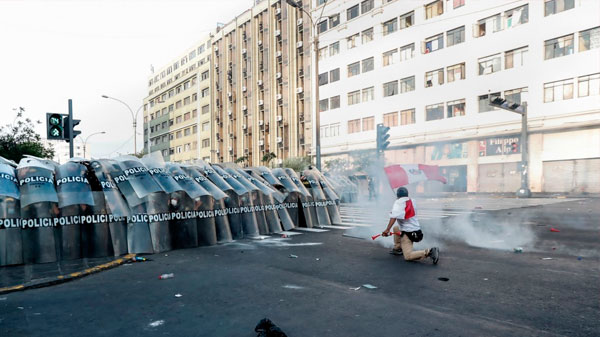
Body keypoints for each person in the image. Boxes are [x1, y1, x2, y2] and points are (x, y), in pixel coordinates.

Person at [382, 187, 439, 264]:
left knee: (408, 256)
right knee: (396, 228)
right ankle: (398, 248)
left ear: (398, 195)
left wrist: (387, 229)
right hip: (416, 230)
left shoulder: (398, 203)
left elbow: (393, 217)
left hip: (408, 233)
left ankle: (429, 252)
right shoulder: (412, 201)